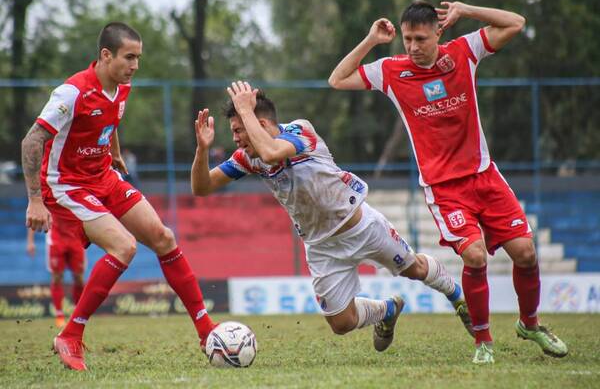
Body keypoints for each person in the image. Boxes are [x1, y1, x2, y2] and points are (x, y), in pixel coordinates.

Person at [328, 1, 568, 363]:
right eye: (407, 39)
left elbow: (516, 23)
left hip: (484, 175)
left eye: (420, 38)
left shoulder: (463, 51)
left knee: (526, 252)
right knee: (474, 255)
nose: (412, 46)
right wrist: (371, 40)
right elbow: (337, 79)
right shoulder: (392, 71)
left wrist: (466, 10)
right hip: (444, 188)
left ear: (439, 33)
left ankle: (530, 324)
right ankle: (483, 342)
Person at [191, 81, 474, 353]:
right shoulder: (246, 157)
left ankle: (458, 297)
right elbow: (201, 188)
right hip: (320, 246)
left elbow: (272, 152)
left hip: (360, 227)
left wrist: (246, 112)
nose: (236, 139)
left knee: (416, 270)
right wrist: (203, 149)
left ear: (261, 124)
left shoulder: (300, 131)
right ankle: (387, 310)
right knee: (342, 323)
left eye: (238, 130)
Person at [21, 22, 216, 371]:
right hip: (67, 185)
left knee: (163, 237)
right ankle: (70, 335)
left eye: (138, 58)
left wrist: (115, 152)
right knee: (123, 246)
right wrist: (35, 199)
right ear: (106, 55)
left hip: (104, 176)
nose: (135, 66)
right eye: (130, 57)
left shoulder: (122, 87)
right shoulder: (72, 92)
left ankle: (206, 331)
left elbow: (109, 122)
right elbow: (32, 141)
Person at [26, 217, 86, 328]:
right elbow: (35, 214)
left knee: (78, 278)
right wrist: (30, 241)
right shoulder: (48, 199)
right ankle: (59, 316)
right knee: (57, 277)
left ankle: (78, 315)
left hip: (76, 239)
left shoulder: (77, 199)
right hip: (56, 241)